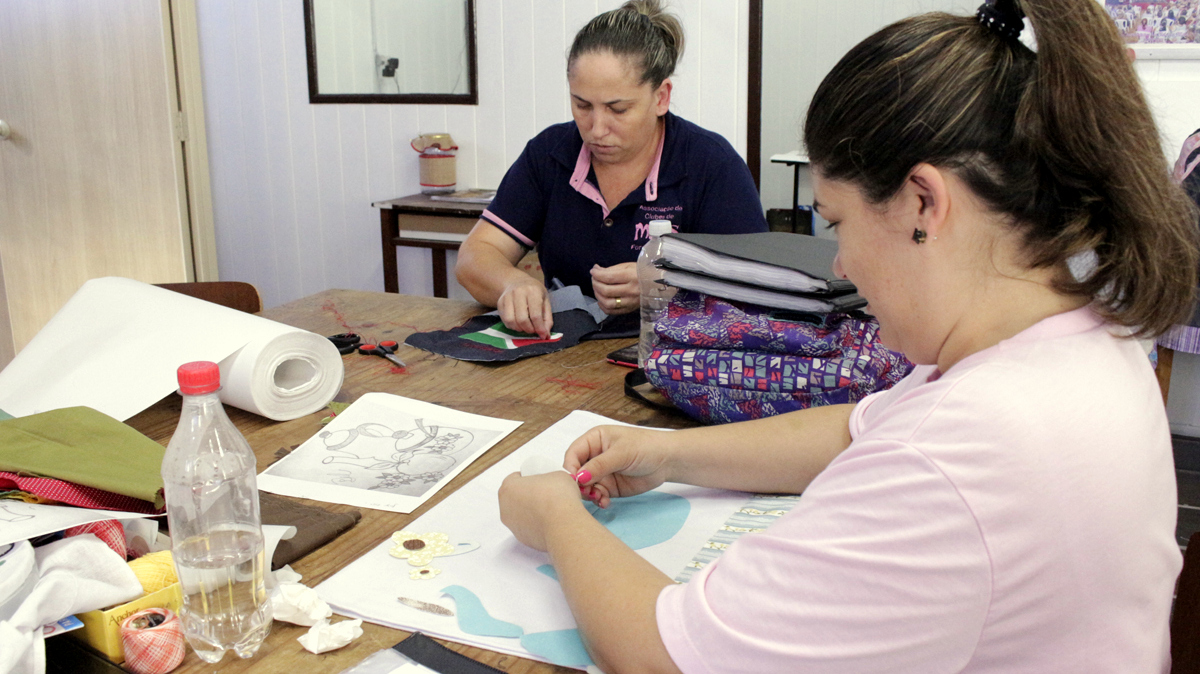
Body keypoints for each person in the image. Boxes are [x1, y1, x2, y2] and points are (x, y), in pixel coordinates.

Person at [497, 0, 1200, 671]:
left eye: (838, 224)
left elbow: (662, 655)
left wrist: (559, 517)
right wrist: (664, 453)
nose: (839, 265)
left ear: (924, 202)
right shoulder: (1071, 340)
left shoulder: (955, 454)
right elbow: (853, 432)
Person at [454, 0, 767, 339]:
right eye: (582, 105)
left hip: (672, 359)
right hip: (561, 355)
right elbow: (476, 255)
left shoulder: (710, 165)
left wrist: (667, 285)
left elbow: (757, 290)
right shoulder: (550, 155)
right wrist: (511, 284)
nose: (596, 128)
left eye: (618, 109)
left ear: (661, 96)